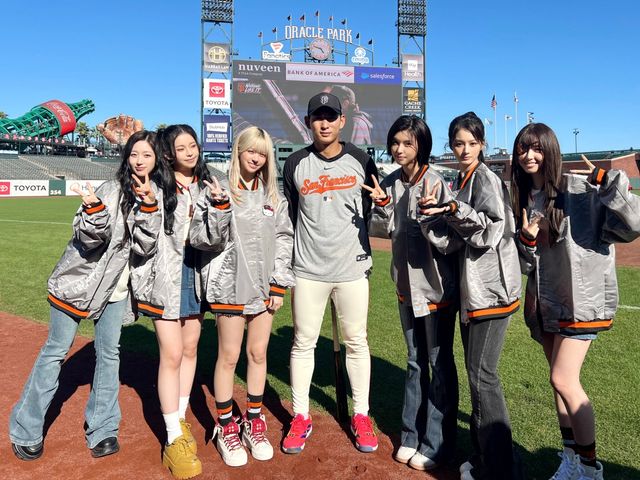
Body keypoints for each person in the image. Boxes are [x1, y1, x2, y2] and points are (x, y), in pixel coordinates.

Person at [9, 130, 164, 461]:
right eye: (134, 154)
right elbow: (88, 238)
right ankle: (26, 428)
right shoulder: (109, 189)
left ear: (156, 160)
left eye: (147, 155)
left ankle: (103, 429)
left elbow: (145, 248)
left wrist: (149, 207)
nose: (139, 161)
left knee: (109, 355)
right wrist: (94, 210)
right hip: (78, 283)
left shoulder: (156, 196)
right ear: (127, 157)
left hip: (115, 291)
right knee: (55, 351)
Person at [511, 123, 640, 480]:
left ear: (550, 150)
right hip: (546, 302)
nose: (529, 155)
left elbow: (632, 224)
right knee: (558, 384)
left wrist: (608, 182)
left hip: (581, 301)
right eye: (522, 148)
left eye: (536, 148)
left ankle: (590, 468)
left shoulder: (578, 189)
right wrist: (526, 241)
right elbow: (525, 263)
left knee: (563, 379)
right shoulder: (523, 198)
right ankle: (570, 459)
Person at [419, 112, 523, 480]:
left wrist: (453, 209)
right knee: (478, 376)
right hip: (473, 293)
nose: (464, 149)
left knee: (483, 377)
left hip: (491, 292)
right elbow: (452, 242)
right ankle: (484, 459)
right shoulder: (462, 181)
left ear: (482, 144)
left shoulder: (485, 178)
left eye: (471, 143)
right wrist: (431, 217)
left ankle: (498, 468)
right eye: (458, 143)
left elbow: (490, 231)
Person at [189, 126, 294, 467]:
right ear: (238, 151)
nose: (256, 157)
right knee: (229, 356)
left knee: (258, 353)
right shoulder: (217, 189)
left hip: (264, 290)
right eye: (251, 150)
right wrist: (219, 206)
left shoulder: (273, 197)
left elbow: (284, 239)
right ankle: (225, 426)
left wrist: (278, 284)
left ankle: (253, 421)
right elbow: (203, 240)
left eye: (262, 153)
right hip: (230, 288)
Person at [281, 92, 379, 454]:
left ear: (342, 121)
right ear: (308, 122)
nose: (324, 123)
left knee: (357, 342)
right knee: (303, 342)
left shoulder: (361, 160)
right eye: (317, 117)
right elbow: (291, 217)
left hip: (352, 269)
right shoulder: (295, 164)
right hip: (308, 270)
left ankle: (361, 415)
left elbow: (371, 210)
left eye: (331, 116)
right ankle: (300, 415)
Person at [364, 115, 459, 470]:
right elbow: (382, 230)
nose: (399, 149)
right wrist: (381, 205)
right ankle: (410, 434)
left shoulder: (435, 182)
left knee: (438, 362)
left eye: (407, 143)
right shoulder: (390, 182)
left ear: (422, 145)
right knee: (414, 360)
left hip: (435, 289)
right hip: (405, 287)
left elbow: (450, 239)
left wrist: (431, 216)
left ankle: (437, 442)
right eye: (395, 142)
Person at [134, 124, 212, 479]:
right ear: (169, 154)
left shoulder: (207, 183)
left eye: (193, 145)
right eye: (182, 148)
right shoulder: (157, 185)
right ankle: (172, 437)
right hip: (165, 274)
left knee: (191, 347)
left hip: (196, 271)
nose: (190, 152)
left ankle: (179, 420)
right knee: (173, 353)